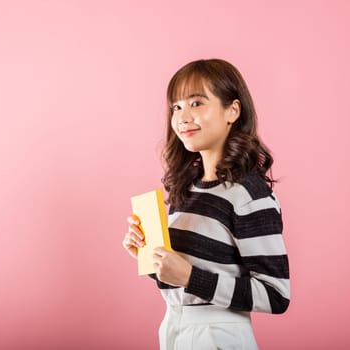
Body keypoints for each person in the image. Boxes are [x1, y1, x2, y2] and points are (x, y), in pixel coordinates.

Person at [122, 59, 290, 350]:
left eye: (196, 103)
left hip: (219, 336)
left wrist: (188, 276)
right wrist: (149, 258)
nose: (182, 117)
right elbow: (182, 285)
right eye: (176, 107)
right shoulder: (186, 187)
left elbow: (276, 295)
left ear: (232, 111)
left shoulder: (248, 195)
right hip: (175, 326)